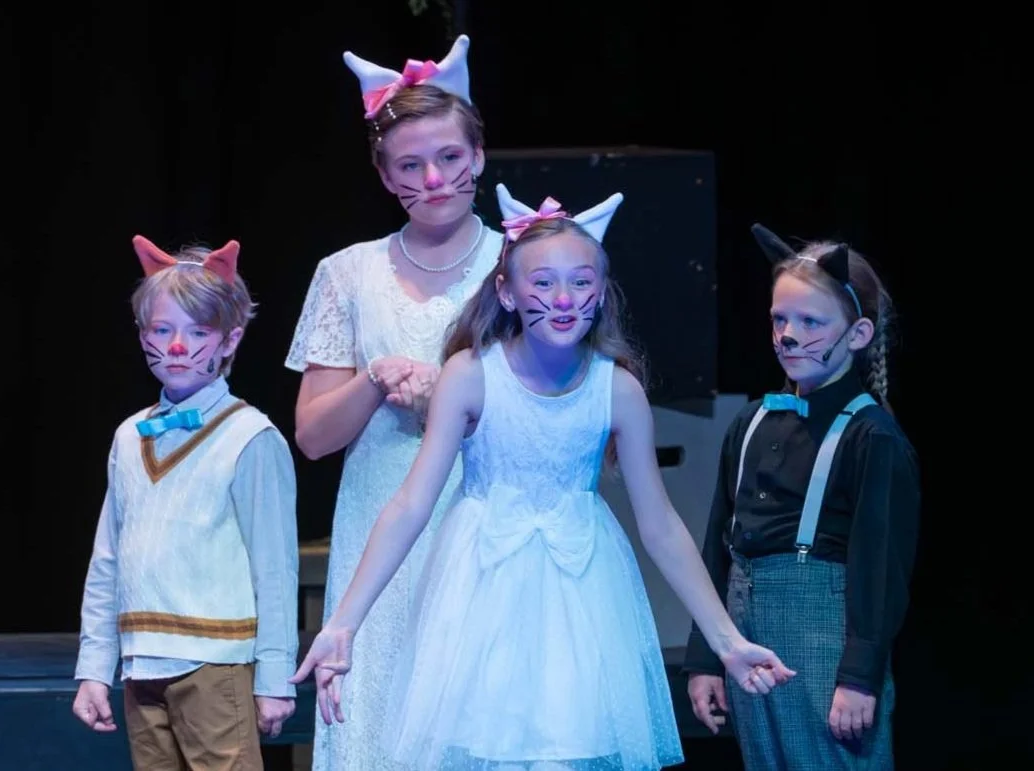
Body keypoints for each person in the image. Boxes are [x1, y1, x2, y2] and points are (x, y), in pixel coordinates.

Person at [291, 186, 796, 771]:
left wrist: (727, 641)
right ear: (507, 291)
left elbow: (660, 525)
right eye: (543, 282)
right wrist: (344, 623)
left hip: (579, 594)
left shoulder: (617, 390)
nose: (562, 299)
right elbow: (411, 504)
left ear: (601, 292)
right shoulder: (471, 375)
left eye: (581, 282)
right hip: (481, 591)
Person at [284, 33, 503, 771]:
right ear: (384, 174)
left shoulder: (518, 263)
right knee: (379, 723)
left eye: (448, 157)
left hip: (483, 520)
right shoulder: (347, 273)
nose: (433, 178)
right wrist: (375, 377)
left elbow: (565, 416)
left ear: (477, 156)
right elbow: (313, 436)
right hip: (377, 522)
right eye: (410, 165)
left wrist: (452, 395)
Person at [683, 223, 920, 770]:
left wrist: (859, 677)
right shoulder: (751, 422)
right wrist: (707, 655)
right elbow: (717, 546)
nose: (788, 335)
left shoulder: (871, 437)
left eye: (811, 322)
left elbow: (880, 570)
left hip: (823, 647)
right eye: (779, 319)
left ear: (857, 334)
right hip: (748, 645)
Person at [72, 236, 299, 769]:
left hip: (214, 661)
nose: (177, 346)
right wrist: (94, 667)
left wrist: (274, 677)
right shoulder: (130, 435)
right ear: (142, 335)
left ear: (230, 339)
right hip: (141, 662)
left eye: (198, 332)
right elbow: (108, 559)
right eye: (162, 330)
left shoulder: (249, 436)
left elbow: (275, 566)